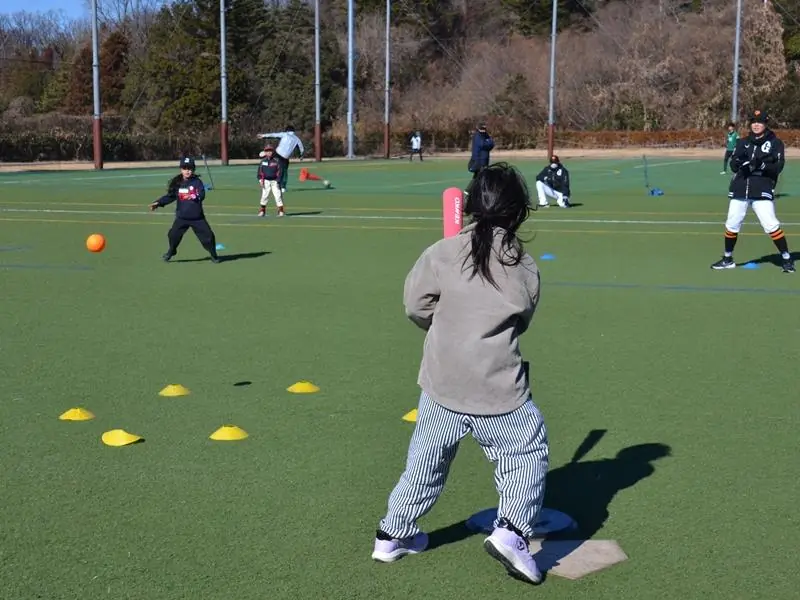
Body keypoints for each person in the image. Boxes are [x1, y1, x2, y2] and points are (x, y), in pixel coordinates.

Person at [371, 163, 549, 586]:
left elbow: (416, 305)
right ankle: (512, 532)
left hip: (442, 380)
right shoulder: (524, 265)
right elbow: (522, 319)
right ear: (518, 211)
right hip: (497, 386)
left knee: (424, 462)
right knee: (526, 451)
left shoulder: (441, 251)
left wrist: (447, 324)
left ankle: (390, 535)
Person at [711, 109, 794, 273]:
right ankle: (728, 258)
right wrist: (742, 163)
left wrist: (761, 165)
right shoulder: (743, 142)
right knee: (732, 224)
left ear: (765, 124)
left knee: (771, 225)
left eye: (760, 122)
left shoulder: (776, 143)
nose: (756, 125)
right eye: (753, 122)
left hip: (761, 188)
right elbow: (734, 165)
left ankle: (786, 258)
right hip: (740, 188)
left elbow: (778, 166)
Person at [149, 156, 220, 263]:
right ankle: (172, 251)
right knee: (173, 235)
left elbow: (202, 194)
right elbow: (170, 196)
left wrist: (195, 196)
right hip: (182, 218)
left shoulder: (197, 182)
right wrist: (158, 203)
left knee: (208, 237)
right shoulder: (177, 183)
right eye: (185, 168)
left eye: (190, 168)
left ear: (193, 169)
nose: (187, 171)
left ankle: (214, 255)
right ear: (181, 169)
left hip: (197, 218)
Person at [257, 125, 304, 193]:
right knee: (284, 172)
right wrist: (301, 156)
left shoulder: (284, 134)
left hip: (277, 153)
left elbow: (273, 135)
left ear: (287, 130)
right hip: (285, 157)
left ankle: (267, 154)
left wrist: (263, 136)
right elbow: (301, 148)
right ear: (293, 131)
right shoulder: (297, 139)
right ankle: (283, 187)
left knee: (270, 165)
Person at [257, 145, 285, 217]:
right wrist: (260, 180)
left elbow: (280, 171)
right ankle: (262, 210)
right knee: (264, 196)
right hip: (265, 181)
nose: (269, 152)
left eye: (270, 151)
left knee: (277, 196)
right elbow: (259, 172)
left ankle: (281, 210)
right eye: (267, 151)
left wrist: (278, 180)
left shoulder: (276, 161)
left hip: (275, 181)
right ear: (265, 152)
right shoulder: (263, 161)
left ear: (272, 152)